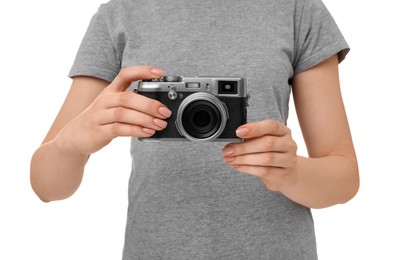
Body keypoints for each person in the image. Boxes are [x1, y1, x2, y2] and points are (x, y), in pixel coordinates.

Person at [30, 0, 359, 258]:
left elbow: (344, 177)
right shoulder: (119, 13)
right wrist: (72, 143)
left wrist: (292, 172)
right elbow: (47, 185)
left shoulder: (299, 9)